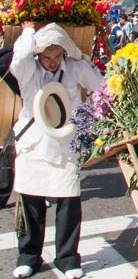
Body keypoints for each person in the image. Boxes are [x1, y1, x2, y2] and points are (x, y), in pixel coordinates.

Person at [10, 22, 103, 279]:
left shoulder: (75, 68)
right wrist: (28, 31)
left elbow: (101, 87)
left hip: (65, 145)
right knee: (30, 202)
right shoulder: (29, 71)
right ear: (38, 54)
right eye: (46, 57)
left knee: (69, 202)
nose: (51, 62)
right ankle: (28, 256)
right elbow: (17, 60)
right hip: (33, 143)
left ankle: (67, 259)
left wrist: (93, 117)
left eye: (56, 56)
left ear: (64, 52)